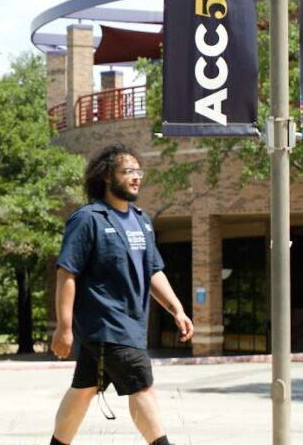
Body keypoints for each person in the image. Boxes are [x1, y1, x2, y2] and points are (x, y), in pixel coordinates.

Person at [49, 143, 193, 445]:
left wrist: (176, 309)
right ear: (106, 177)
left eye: (138, 171)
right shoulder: (88, 219)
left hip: (128, 325)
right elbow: (67, 273)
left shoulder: (141, 219)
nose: (136, 177)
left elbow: (153, 270)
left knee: (84, 389)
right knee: (142, 387)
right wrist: (64, 328)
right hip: (108, 325)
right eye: (128, 171)